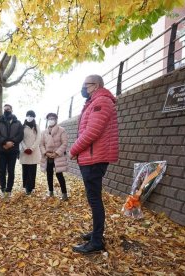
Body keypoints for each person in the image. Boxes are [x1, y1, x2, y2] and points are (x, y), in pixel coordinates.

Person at [70, 74, 119, 254]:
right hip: (91, 157)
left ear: (96, 85)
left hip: (94, 159)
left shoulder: (102, 102)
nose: (84, 89)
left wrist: (73, 150)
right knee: (93, 199)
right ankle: (95, 234)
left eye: (86, 85)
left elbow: (92, 132)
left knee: (95, 200)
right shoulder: (94, 102)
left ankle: (97, 241)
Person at [0, 104, 24, 198]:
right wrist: (4, 143)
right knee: (2, 171)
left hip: (13, 151)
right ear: (3, 110)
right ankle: (2, 189)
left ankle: (9, 190)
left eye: (8, 109)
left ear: (12, 110)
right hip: (2, 150)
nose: (7, 110)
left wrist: (12, 143)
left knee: (11, 171)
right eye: (5, 109)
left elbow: (20, 135)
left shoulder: (17, 122)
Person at [40, 113, 69, 200]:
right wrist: (45, 153)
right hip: (48, 156)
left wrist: (56, 153)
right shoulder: (44, 132)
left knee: (59, 174)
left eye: (53, 118)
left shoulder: (61, 130)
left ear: (56, 119)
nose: (51, 120)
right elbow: (41, 144)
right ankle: (50, 191)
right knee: (49, 174)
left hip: (57, 157)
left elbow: (64, 143)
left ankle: (64, 194)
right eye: (49, 118)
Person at [19, 110, 41, 195]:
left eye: (31, 115)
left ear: (34, 117)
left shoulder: (36, 126)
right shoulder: (22, 126)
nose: (29, 117)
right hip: (24, 152)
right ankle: (26, 187)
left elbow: (38, 138)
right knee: (25, 169)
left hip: (34, 151)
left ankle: (32, 187)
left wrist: (31, 148)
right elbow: (20, 138)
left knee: (32, 170)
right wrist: (25, 148)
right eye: (28, 115)